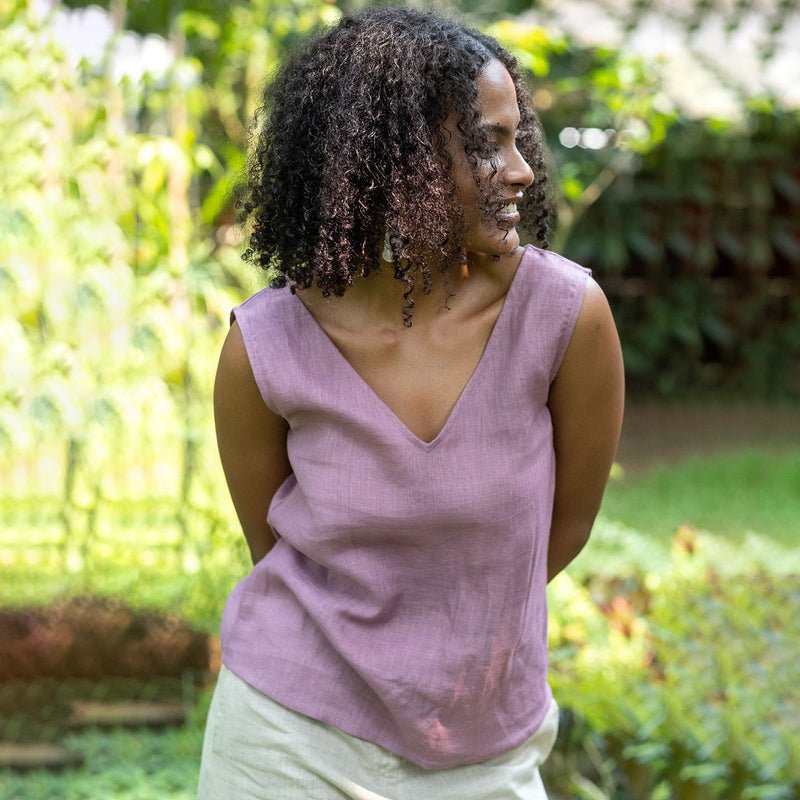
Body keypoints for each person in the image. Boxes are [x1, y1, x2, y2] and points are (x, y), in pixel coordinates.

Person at [198, 6, 624, 799]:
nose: (524, 168)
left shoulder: (565, 316)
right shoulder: (266, 345)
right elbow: (276, 550)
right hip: (288, 735)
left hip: (485, 746)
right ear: (396, 164)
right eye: (486, 143)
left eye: (514, 134)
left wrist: (453, 633)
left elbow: (563, 529)